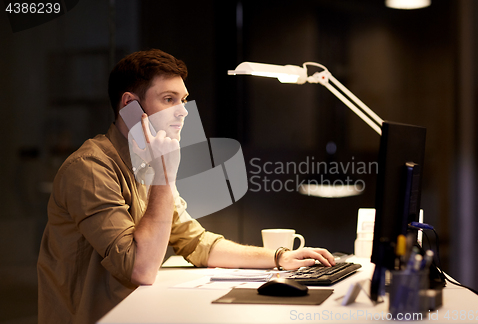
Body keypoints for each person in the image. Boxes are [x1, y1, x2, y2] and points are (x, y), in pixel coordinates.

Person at [37, 49, 336, 324]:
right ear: (130, 106)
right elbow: (138, 268)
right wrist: (164, 176)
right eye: (169, 99)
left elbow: (196, 242)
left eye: (183, 99)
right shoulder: (90, 168)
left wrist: (279, 258)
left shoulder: (148, 162)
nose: (183, 111)